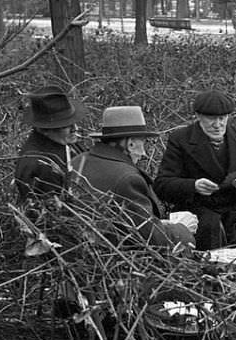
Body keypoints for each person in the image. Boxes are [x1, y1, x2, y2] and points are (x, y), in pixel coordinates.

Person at [153, 89, 236, 250]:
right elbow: (162, 185)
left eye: (222, 118)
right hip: (199, 213)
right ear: (198, 116)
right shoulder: (180, 139)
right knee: (207, 257)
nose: (218, 124)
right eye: (211, 119)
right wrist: (193, 186)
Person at [70, 105, 196, 250]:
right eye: (142, 142)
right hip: (115, 263)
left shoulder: (77, 161)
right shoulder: (129, 179)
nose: (143, 153)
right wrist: (182, 229)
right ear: (130, 144)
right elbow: (151, 239)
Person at [14, 84, 85, 204]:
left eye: (74, 122)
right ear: (44, 129)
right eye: (65, 125)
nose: (75, 128)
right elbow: (55, 215)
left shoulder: (61, 143)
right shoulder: (42, 167)